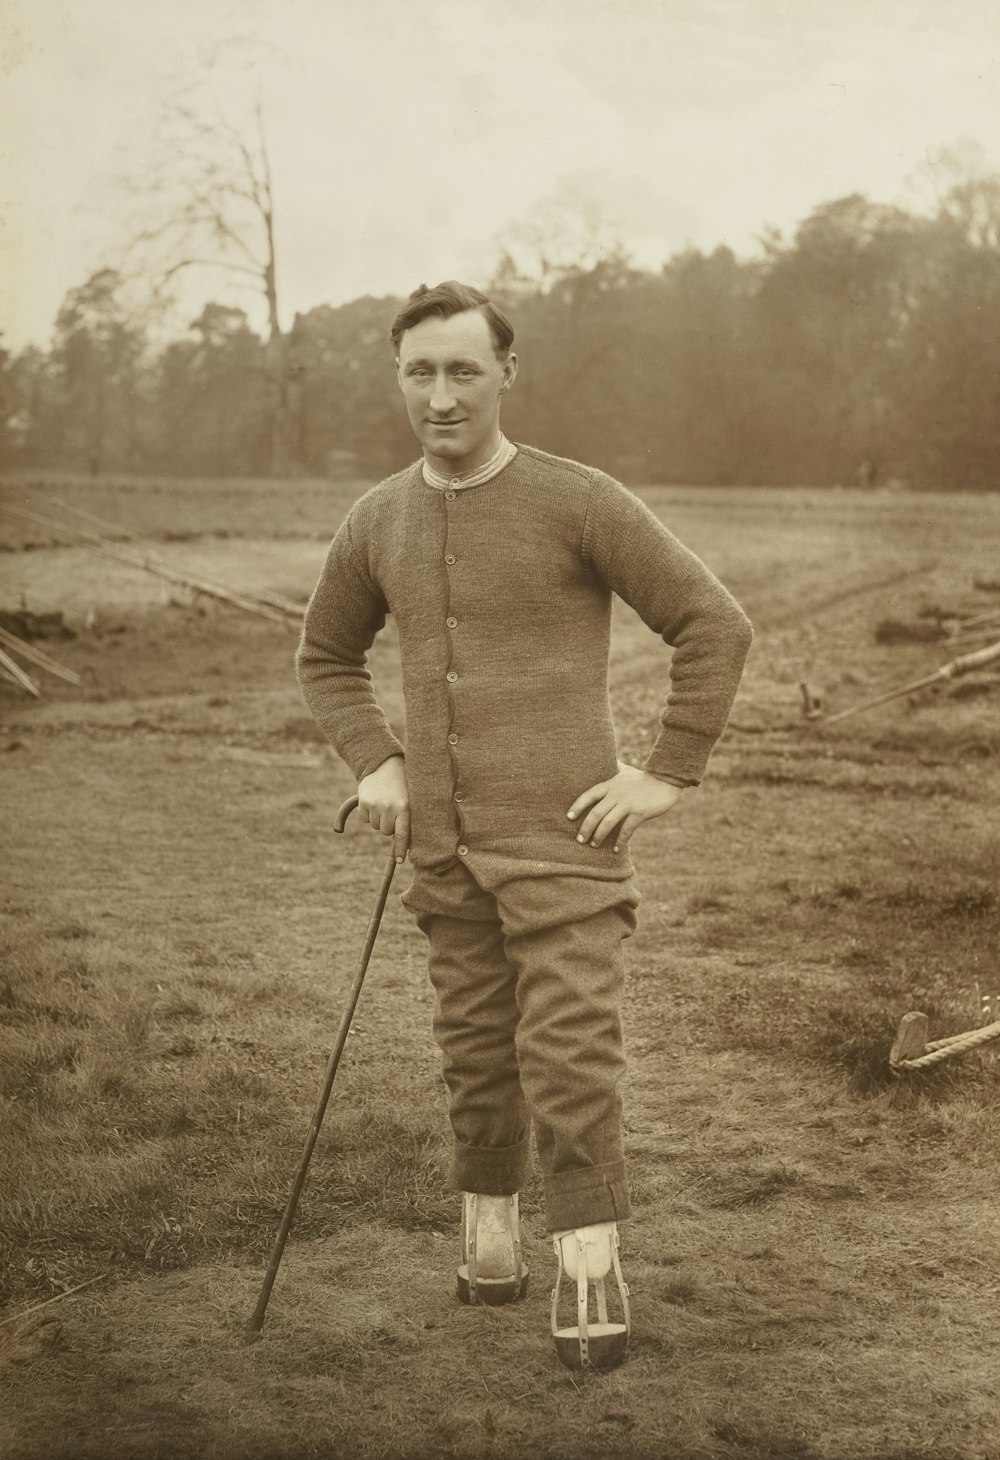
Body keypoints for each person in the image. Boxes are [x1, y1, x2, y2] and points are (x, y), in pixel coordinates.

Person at [296, 280, 752, 1370]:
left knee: (569, 1054)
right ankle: (487, 1235)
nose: (441, 396)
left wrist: (666, 771)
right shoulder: (376, 517)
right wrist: (380, 765)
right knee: (471, 1046)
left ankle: (588, 1259)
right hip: (444, 850)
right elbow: (324, 657)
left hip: (565, 849)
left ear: (508, 372)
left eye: (464, 370)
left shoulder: (578, 499)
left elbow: (714, 625)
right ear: (398, 377)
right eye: (420, 371)